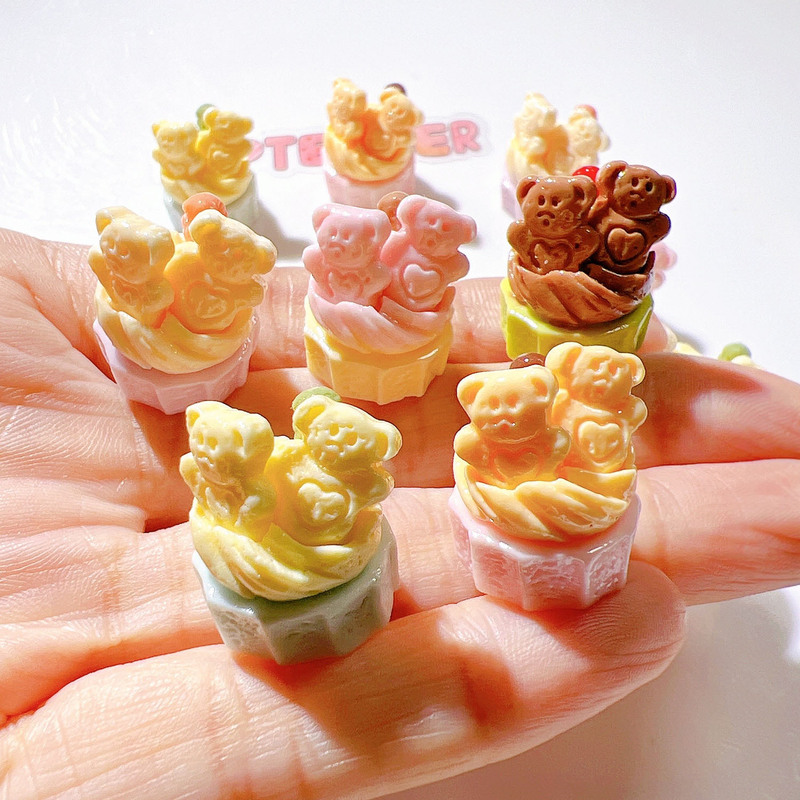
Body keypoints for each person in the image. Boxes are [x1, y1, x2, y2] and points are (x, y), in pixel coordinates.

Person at [0, 227, 798, 798]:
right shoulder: (260, 491)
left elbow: (558, 458)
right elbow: (263, 505)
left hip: (420, 528)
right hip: (293, 560)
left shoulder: (552, 443)